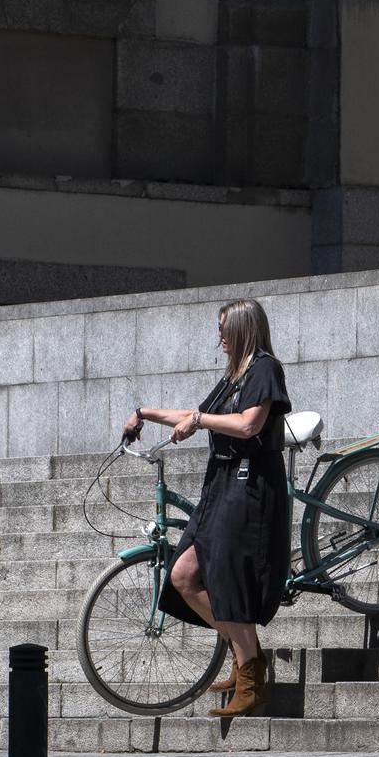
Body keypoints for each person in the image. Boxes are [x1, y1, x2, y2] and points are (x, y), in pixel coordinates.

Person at [122, 297, 292, 718]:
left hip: (249, 484)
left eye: (224, 329)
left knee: (228, 579)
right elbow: (194, 413)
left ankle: (251, 673)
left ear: (242, 329)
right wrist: (144, 412)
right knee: (183, 575)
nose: (219, 337)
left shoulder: (264, 368)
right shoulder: (233, 376)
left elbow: (249, 424)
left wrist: (199, 422)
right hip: (221, 485)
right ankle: (243, 653)